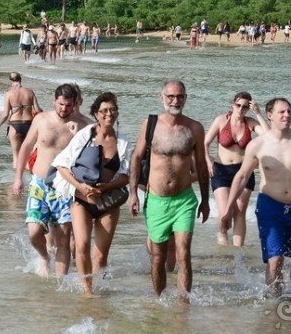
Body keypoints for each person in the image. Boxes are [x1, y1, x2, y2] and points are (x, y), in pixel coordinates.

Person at [221, 98, 291, 296]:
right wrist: (227, 209)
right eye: (282, 112)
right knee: (275, 260)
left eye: (289, 111)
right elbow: (242, 176)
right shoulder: (258, 144)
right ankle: (275, 304)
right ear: (270, 115)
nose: (287, 115)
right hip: (271, 207)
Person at [128, 80, 210, 301]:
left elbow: (201, 166)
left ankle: (184, 305)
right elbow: (136, 158)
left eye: (180, 96)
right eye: (171, 96)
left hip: (184, 199)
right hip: (157, 200)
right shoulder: (150, 124)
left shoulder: (194, 128)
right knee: (158, 257)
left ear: (186, 98)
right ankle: (159, 301)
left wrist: (205, 200)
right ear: (161, 97)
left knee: (184, 253)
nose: (176, 101)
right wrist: (133, 193)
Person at [52, 92, 130, 297]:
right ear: (96, 114)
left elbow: (126, 177)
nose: (109, 114)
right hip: (81, 199)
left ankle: (98, 289)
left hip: (109, 201)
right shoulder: (86, 135)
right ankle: (88, 292)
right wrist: (81, 186)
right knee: (82, 246)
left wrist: (103, 188)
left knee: (101, 255)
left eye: (112, 110)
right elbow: (61, 165)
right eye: (104, 111)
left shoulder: (122, 142)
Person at [12, 84, 91, 277]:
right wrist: (18, 178)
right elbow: (25, 148)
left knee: (64, 238)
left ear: (75, 104)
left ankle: (60, 285)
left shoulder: (84, 126)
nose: (64, 109)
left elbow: (95, 156)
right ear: (54, 101)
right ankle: (44, 256)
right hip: (38, 184)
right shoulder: (41, 120)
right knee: (33, 232)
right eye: (61, 104)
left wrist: (77, 136)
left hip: (65, 187)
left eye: (68, 105)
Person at [204, 92, 269, 246]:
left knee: (240, 212)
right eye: (238, 105)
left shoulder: (250, 123)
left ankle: (238, 249)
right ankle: (223, 236)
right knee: (225, 210)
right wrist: (207, 161)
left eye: (245, 107)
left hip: (243, 171)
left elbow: (269, 136)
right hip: (221, 171)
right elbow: (205, 143)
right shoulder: (221, 120)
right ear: (233, 104)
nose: (241, 109)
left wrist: (258, 113)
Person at [0, 72, 42, 170]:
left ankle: (17, 181)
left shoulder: (9, 94)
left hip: (15, 125)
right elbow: (38, 110)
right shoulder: (30, 92)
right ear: (20, 80)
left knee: (16, 156)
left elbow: (5, 115)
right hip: (29, 125)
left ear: (10, 81)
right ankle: (28, 180)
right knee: (28, 155)